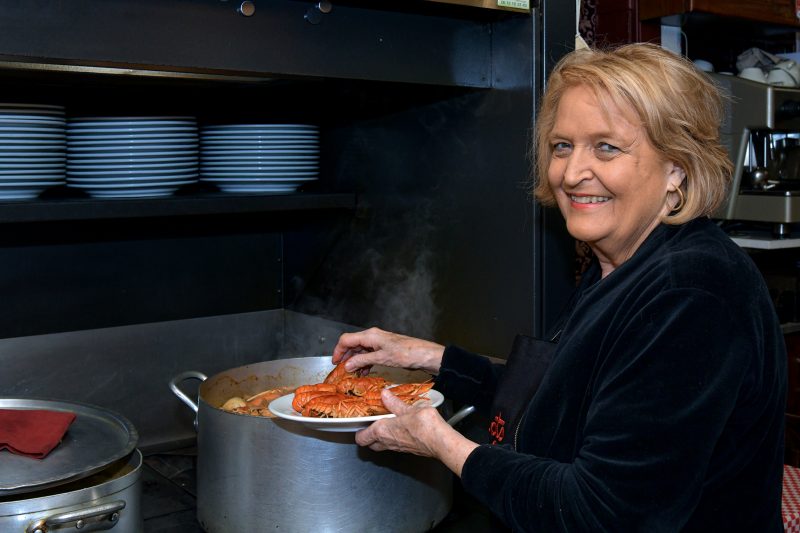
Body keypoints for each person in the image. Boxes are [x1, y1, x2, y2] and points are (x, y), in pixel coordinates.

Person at [332, 43, 787, 532]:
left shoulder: (692, 294)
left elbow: (605, 516)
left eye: (606, 147)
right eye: (562, 145)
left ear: (677, 168)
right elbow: (561, 401)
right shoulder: (621, 261)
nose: (571, 174)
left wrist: (444, 445)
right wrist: (432, 359)